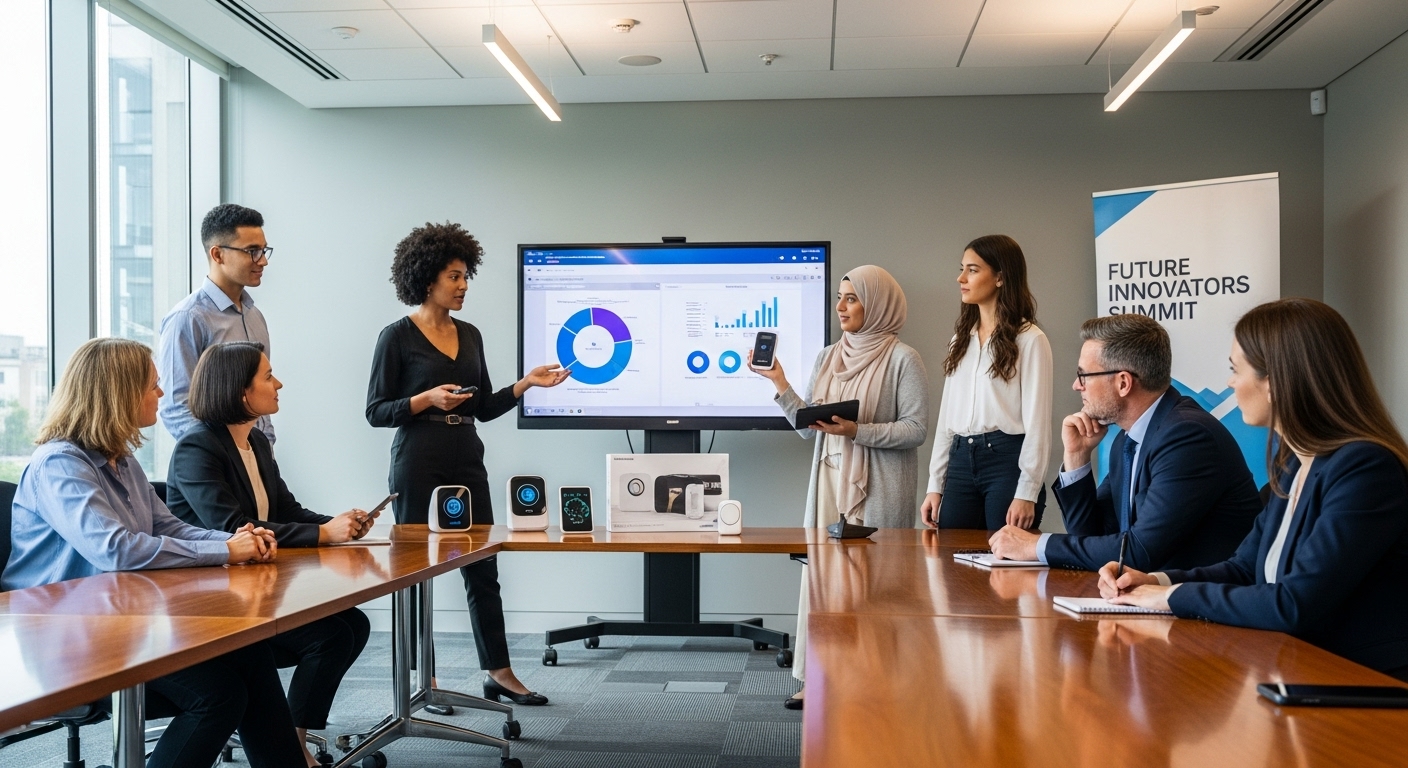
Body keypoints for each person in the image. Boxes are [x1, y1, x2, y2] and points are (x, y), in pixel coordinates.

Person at [1, 337, 305, 768]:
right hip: (66, 637)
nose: (162, 394)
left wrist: (235, 542)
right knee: (217, 695)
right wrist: (225, 554)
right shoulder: (59, 465)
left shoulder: (121, 461)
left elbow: (168, 527)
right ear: (118, 393)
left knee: (249, 652)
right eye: (152, 386)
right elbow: (117, 549)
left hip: (122, 621)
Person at [1100, 299, 1408, 682]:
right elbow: (1244, 569)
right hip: (1296, 672)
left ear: (1276, 382)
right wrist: (1155, 581)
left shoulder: (1365, 469)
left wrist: (1169, 598)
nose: (1230, 382)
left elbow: (1293, 602)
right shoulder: (1295, 463)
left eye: (1235, 370)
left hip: (1362, 688)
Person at [366, 221, 569, 709]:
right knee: (417, 571)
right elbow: (376, 411)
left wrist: (525, 385)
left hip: (466, 454)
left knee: (483, 567)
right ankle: (424, 681)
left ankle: (498, 671)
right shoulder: (396, 337)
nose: (463, 286)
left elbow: (482, 406)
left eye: (465, 276)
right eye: (455, 277)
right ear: (427, 278)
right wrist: (425, 399)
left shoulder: (471, 335)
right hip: (418, 456)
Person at [166, 341, 373, 767]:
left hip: (257, 587)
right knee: (331, 636)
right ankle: (290, 746)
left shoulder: (256, 443)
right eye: (267, 376)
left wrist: (338, 523)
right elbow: (231, 527)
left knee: (351, 625)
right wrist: (322, 534)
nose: (278, 384)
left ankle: (293, 738)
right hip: (212, 600)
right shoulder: (196, 448)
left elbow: (285, 510)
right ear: (241, 391)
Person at [751, 264, 929, 710]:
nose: (841, 306)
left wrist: (857, 430)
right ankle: (817, 680)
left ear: (878, 303)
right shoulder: (828, 355)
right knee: (824, 581)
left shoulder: (903, 358)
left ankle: (872, 677)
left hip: (879, 484)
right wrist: (780, 384)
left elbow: (915, 429)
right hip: (829, 478)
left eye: (852, 298)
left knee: (874, 581)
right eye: (839, 297)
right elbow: (808, 429)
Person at [989, 313, 1260, 571]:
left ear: (1123, 383)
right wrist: (1076, 456)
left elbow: (1137, 553)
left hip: (1201, 609)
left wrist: (1037, 545)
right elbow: (1092, 536)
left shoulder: (1188, 437)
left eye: (1083, 375)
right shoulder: (1127, 440)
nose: (1076, 385)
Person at [921, 235, 1052, 532]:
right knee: (951, 568)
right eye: (962, 269)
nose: (961, 278)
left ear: (1000, 278)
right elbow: (946, 421)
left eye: (972, 270)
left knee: (1007, 567)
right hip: (959, 463)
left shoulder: (1030, 340)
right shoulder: (961, 341)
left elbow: (1038, 425)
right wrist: (935, 485)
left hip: (1007, 464)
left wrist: (1027, 492)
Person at [159, 203, 276, 443]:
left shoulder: (255, 316)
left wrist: (265, 450)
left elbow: (259, 399)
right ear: (217, 254)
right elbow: (176, 408)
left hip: (257, 461)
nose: (262, 261)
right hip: (218, 467)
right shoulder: (187, 318)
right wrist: (225, 455)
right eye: (252, 251)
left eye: (264, 250)